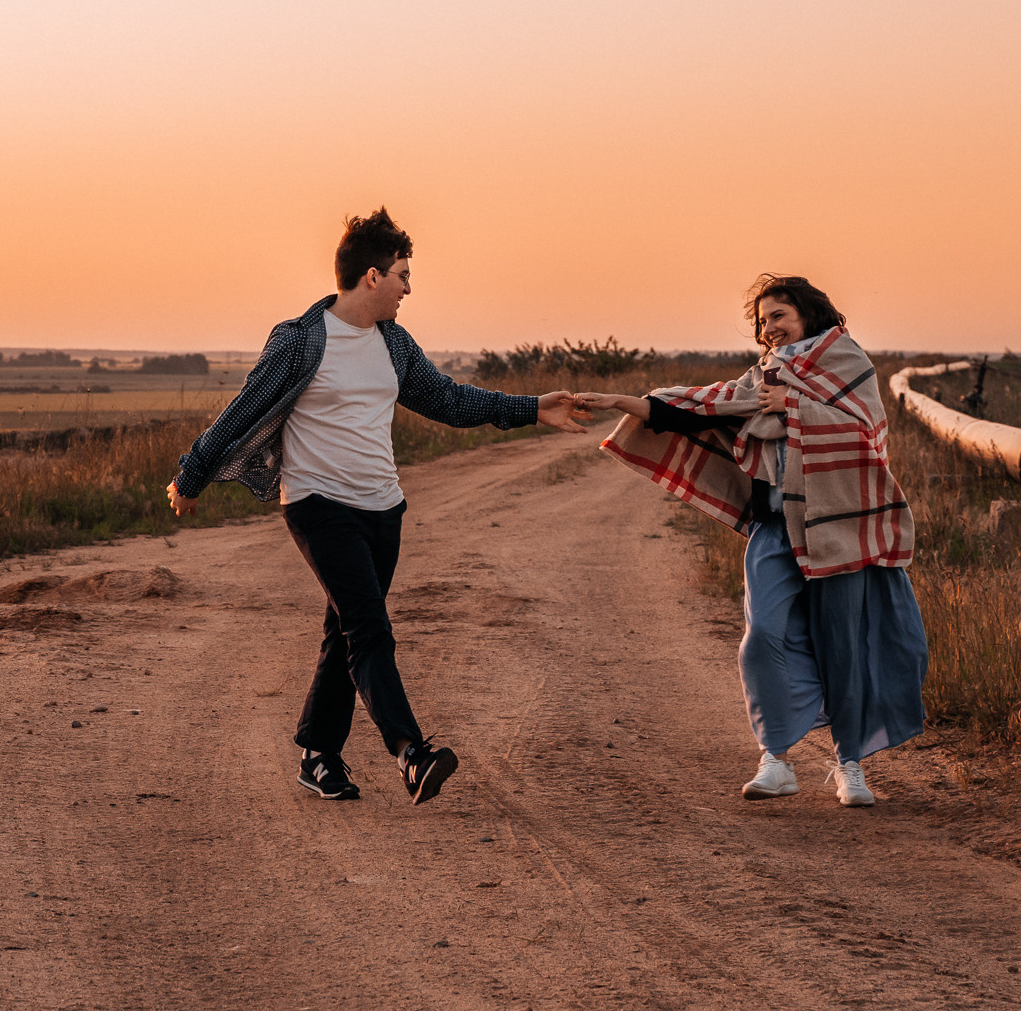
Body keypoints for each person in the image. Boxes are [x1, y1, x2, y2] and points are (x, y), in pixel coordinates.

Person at [166, 208, 590, 804]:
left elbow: (445, 398)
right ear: (371, 275)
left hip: (382, 507)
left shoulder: (392, 343)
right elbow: (246, 406)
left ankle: (318, 756)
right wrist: (193, 472)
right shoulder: (301, 339)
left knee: (345, 626)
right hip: (317, 503)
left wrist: (531, 408)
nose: (408, 288)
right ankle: (411, 752)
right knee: (369, 628)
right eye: (403, 275)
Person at [581, 275, 926, 807]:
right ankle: (777, 758)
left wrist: (793, 407)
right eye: (764, 321)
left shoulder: (850, 363)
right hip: (775, 526)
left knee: (844, 646)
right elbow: (704, 404)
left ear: (808, 314)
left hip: (840, 526)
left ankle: (849, 764)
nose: (770, 329)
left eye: (779, 316)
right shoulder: (766, 372)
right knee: (763, 634)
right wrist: (622, 402)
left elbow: (866, 435)